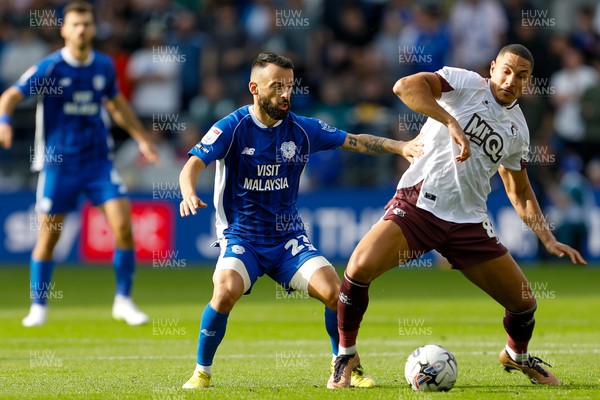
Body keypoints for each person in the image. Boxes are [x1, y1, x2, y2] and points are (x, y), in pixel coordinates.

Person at [327, 44, 587, 389]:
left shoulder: (518, 130)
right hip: (420, 205)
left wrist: (548, 238)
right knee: (358, 269)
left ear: (527, 81)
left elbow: (519, 191)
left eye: (521, 76)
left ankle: (517, 356)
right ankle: (345, 355)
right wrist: (451, 121)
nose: (511, 80)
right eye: (506, 70)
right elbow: (404, 86)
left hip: (467, 221)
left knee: (524, 304)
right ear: (493, 67)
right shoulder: (464, 83)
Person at [178, 52, 423, 389]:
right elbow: (193, 163)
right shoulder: (232, 128)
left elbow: (357, 142)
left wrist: (400, 146)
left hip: (287, 240)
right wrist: (188, 192)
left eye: (289, 86)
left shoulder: (303, 130)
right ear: (254, 88)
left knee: (336, 293)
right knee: (224, 293)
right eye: (276, 86)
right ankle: (202, 372)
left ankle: (347, 365)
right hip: (243, 237)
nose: (285, 93)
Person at [0, 1, 159, 327]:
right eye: (75, 24)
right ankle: (39, 306)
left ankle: (123, 301)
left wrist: (141, 137)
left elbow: (116, 105)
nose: (82, 29)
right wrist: (4, 120)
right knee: (48, 239)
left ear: (92, 28)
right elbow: (11, 95)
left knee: (124, 229)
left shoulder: (103, 65)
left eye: (86, 24)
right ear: (64, 30)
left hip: (99, 163)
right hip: (59, 165)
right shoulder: (51, 67)